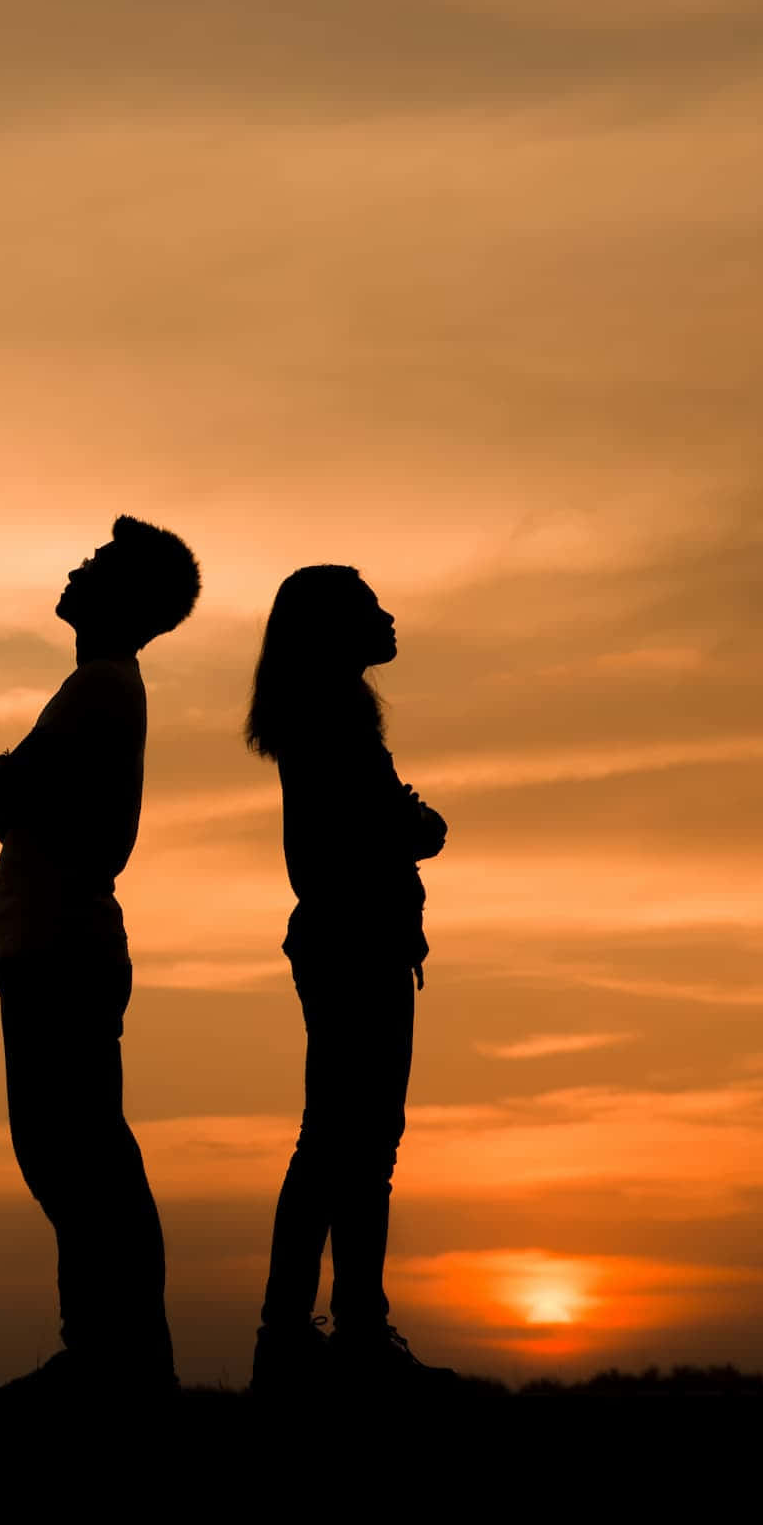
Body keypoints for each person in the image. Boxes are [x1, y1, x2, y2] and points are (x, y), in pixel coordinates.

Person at [0, 515, 201, 1403]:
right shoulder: (96, 688)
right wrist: (10, 783)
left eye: (101, 563)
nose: (79, 567)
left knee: (80, 1155)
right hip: (50, 942)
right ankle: (110, 1352)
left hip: (61, 946)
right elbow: (16, 793)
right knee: (70, 1153)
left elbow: (14, 790)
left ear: (127, 597)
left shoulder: (102, 689)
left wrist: (6, 778)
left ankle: (118, 1357)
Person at [245, 565, 457, 1394]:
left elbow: (389, 821)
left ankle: (327, 1333)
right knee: (347, 1144)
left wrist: (407, 824)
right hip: (354, 947)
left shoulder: (330, 720)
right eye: (369, 606)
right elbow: (390, 826)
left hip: (355, 944)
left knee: (351, 1143)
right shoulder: (332, 724)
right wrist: (416, 824)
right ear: (336, 629)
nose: (389, 616)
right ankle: (321, 1335)